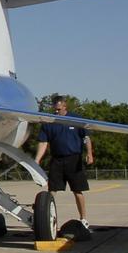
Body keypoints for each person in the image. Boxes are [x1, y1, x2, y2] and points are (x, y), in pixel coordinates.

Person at [34, 95, 94, 229]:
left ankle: (83, 219)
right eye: (55, 109)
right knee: (52, 191)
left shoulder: (76, 120)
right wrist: (37, 159)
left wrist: (89, 154)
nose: (56, 112)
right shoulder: (49, 123)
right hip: (57, 160)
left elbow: (86, 138)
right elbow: (43, 142)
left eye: (59, 109)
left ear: (65, 107)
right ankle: (48, 220)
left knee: (78, 191)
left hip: (74, 159)